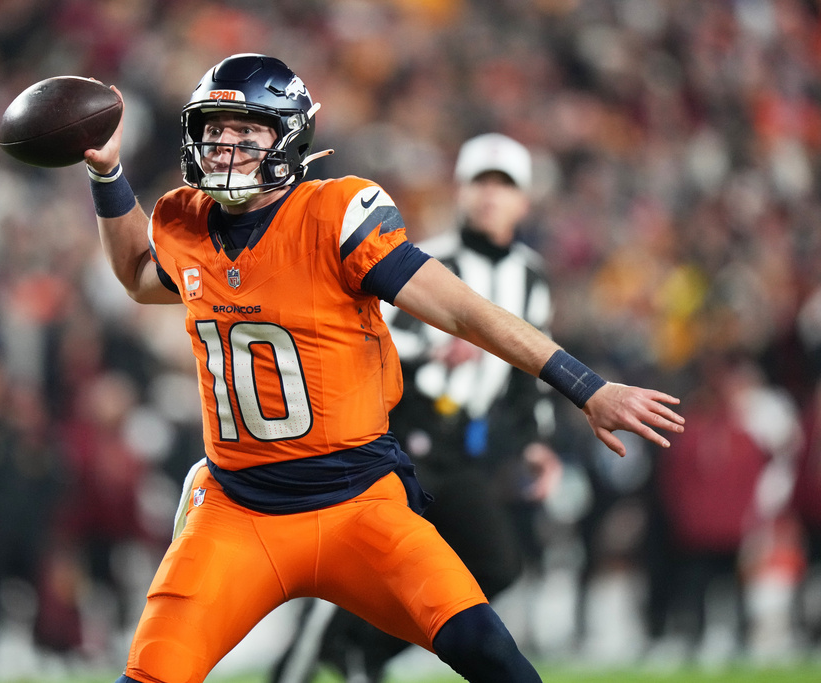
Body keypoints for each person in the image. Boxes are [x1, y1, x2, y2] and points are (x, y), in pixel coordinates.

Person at [82, 53, 684, 683]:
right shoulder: (186, 221)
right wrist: (107, 173)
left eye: (247, 132)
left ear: (287, 136)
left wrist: (585, 387)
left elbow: (464, 313)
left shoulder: (335, 214)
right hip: (238, 511)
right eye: (214, 130)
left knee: (496, 660)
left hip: (358, 506)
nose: (224, 147)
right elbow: (135, 276)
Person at [269, 133, 563, 683]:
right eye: (482, 182)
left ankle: (364, 651)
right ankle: (297, 669)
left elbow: (531, 370)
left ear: (524, 201)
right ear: (460, 191)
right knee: (358, 567)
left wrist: (536, 441)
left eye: (505, 186)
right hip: (400, 437)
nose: (491, 197)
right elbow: (367, 334)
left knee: (495, 565)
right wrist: (433, 349)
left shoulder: (531, 275)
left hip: (463, 448)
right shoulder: (426, 258)